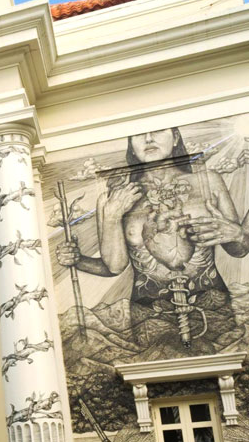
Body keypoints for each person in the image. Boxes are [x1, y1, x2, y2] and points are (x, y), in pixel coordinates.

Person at [57, 128, 247, 347]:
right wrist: (80, 257)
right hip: (149, 315)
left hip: (212, 305)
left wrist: (237, 233)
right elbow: (115, 266)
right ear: (131, 146)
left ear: (175, 138)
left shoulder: (208, 181)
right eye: (138, 134)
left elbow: (238, 250)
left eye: (158, 131)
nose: (148, 138)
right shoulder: (112, 198)